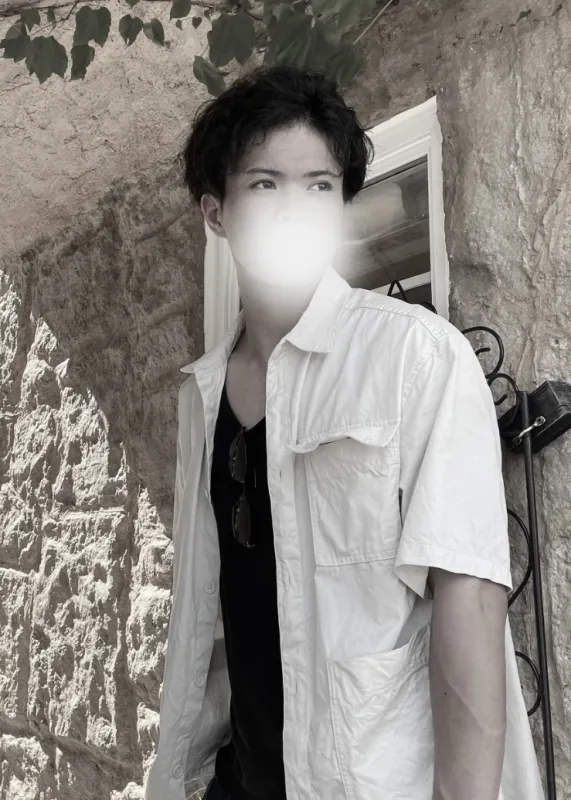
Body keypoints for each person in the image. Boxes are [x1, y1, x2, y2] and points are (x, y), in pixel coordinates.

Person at [144, 65, 545, 800]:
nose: (294, 209)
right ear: (215, 211)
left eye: (319, 185)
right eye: (265, 183)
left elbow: (469, 601)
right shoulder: (200, 394)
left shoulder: (414, 356)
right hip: (239, 779)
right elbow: (212, 616)